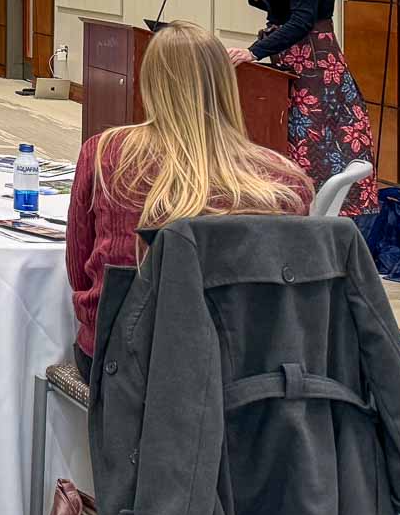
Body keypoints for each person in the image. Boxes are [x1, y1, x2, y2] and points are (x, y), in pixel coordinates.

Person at [66, 21, 312, 379]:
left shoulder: (105, 153)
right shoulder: (285, 180)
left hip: (123, 365)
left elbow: (78, 272)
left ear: (149, 82)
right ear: (226, 82)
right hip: (243, 371)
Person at [222, 0, 377, 215]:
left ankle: (317, 219)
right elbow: (286, 9)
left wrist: (253, 52)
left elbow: (303, 19)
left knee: (315, 143)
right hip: (294, 61)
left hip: (313, 68)